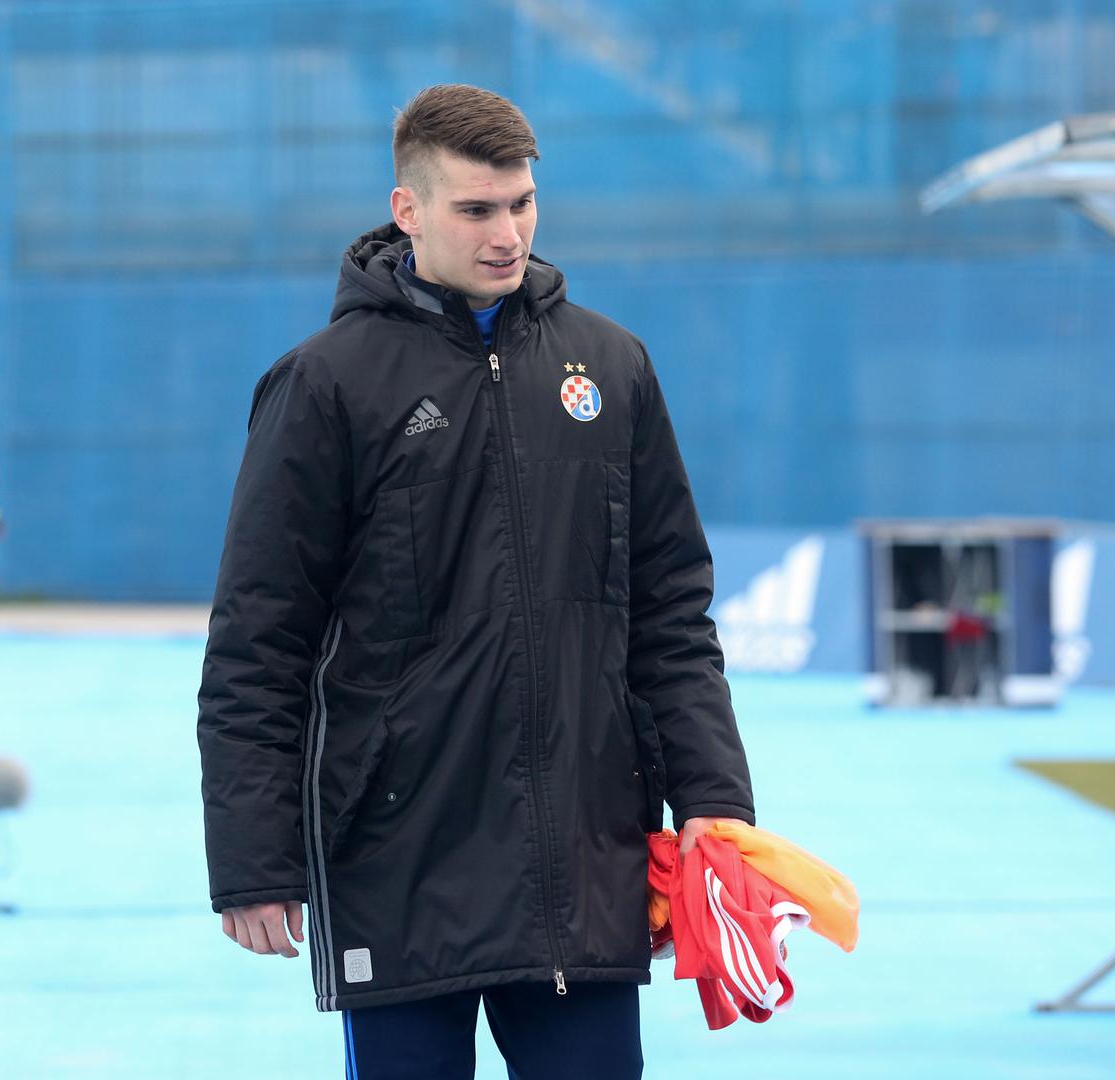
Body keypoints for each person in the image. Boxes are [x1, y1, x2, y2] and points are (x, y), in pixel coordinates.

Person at [197, 84, 756, 1079]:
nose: (508, 234)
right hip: (396, 861)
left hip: (582, 864)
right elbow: (258, 639)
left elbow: (671, 611)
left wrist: (714, 796)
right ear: (408, 210)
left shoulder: (612, 366)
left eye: (523, 203)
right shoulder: (323, 384)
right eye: (476, 209)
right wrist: (253, 858)